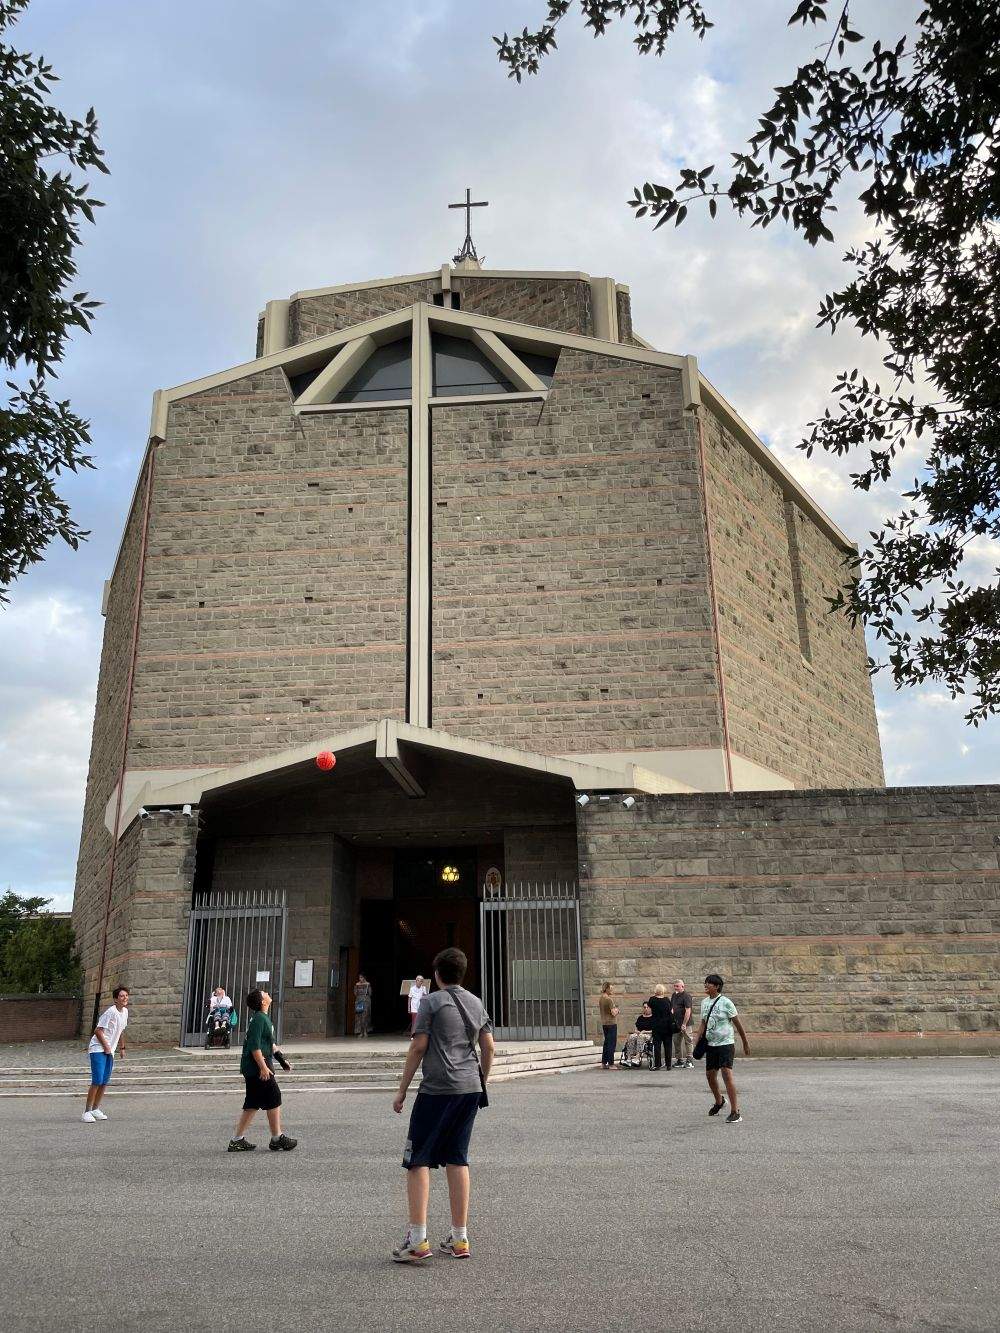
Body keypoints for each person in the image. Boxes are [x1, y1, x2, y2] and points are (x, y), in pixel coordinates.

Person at [392, 947, 494, 1263]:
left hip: (436, 1090)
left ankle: (418, 1240)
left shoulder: (431, 1002)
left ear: (437, 975)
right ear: (463, 973)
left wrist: (402, 1090)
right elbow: (489, 1046)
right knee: (457, 1158)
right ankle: (460, 1237)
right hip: (468, 1089)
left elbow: (418, 1047)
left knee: (418, 1160)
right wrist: (482, 1082)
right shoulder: (476, 1003)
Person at [228, 989, 296, 1152]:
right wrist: (263, 1067)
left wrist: (281, 1060)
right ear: (262, 1001)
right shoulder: (259, 1020)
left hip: (255, 1067)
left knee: (252, 1103)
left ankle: (237, 1140)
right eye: (264, 993)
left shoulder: (262, 1018)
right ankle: (277, 1138)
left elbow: (269, 1044)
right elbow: (254, 1047)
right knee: (274, 1096)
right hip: (257, 1067)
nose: (267, 993)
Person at [696, 973, 750, 1124]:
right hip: (711, 1045)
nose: (706, 985)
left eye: (709, 983)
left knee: (726, 1074)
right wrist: (698, 1037)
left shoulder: (726, 1002)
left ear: (717, 986)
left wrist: (745, 1042)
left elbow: (737, 1023)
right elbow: (703, 1023)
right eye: (705, 983)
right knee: (710, 1075)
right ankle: (719, 1101)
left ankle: (735, 1112)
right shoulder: (705, 1003)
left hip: (725, 1043)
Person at [82, 985, 129, 1123]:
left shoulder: (125, 1012)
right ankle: (87, 1112)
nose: (124, 998)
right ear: (115, 999)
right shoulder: (111, 1012)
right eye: (121, 996)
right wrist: (106, 1046)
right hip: (98, 1048)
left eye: (126, 995)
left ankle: (96, 1109)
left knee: (104, 1081)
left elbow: (121, 1030)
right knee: (97, 1080)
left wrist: (122, 1047)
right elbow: (98, 1030)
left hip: (110, 1050)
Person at [646, 982, 674, 1071]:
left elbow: (649, 1010)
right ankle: (668, 1065)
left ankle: (657, 1065)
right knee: (668, 1046)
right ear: (663, 991)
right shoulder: (667, 1000)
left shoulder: (652, 1000)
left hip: (657, 1026)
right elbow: (671, 1011)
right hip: (667, 1026)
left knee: (657, 1046)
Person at [671, 979, 694, 1069]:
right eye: (674, 986)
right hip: (676, 1023)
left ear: (682, 986)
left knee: (688, 1041)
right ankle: (679, 1060)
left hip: (686, 1023)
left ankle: (689, 1060)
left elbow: (688, 1011)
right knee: (676, 1042)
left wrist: (684, 1024)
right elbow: (672, 1008)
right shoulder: (674, 995)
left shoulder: (686, 996)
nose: (675, 988)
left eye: (677, 986)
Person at [598, 981, 619, 1069]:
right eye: (611, 988)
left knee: (606, 1043)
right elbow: (613, 1013)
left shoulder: (601, 998)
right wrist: (618, 1010)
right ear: (606, 989)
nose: (612, 990)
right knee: (611, 1044)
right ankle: (611, 1064)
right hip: (611, 1023)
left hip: (604, 1023)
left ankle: (603, 1063)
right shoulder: (609, 999)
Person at [354, 973, 372, 1037]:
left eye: (362, 977)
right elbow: (355, 993)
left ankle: (365, 1031)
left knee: (365, 1016)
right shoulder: (357, 984)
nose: (360, 979)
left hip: (366, 1001)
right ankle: (360, 1032)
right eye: (360, 978)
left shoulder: (368, 984)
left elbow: (370, 993)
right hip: (359, 1001)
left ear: (364, 978)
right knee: (359, 1017)